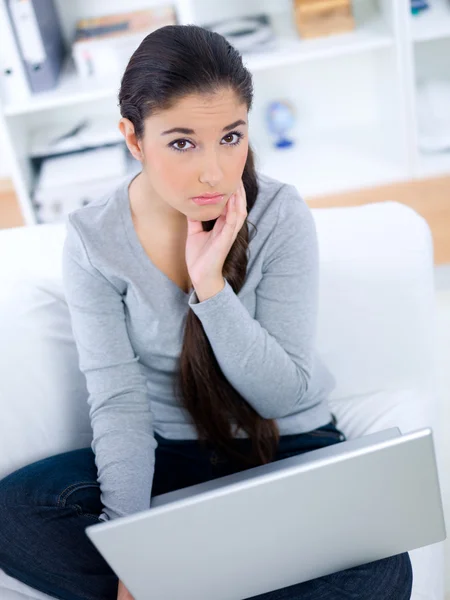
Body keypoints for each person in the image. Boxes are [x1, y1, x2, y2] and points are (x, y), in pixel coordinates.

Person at [0, 24, 412, 600]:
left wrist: (212, 289)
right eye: (182, 142)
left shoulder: (281, 216)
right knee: (17, 513)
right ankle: (220, 577)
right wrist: (132, 554)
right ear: (133, 138)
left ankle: (197, 581)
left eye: (231, 136)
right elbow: (118, 404)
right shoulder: (94, 240)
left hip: (283, 445)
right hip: (170, 457)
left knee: (382, 570)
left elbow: (281, 397)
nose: (214, 171)